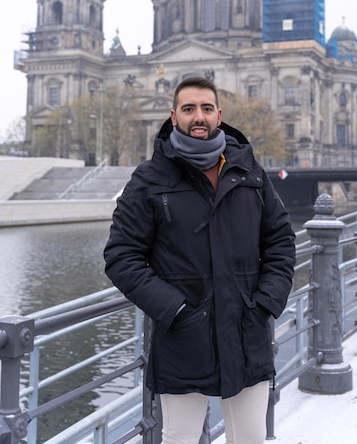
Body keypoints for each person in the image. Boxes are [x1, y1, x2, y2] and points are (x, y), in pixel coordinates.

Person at [104, 77, 296, 444]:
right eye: (189, 109)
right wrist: (175, 311)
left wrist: (266, 304)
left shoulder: (250, 172)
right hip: (183, 338)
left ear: (219, 116)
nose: (199, 117)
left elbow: (280, 241)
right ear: (173, 116)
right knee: (180, 439)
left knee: (251, 439)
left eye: (206, 109)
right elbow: (120, 255)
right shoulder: (148, 179)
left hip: (246, 331)